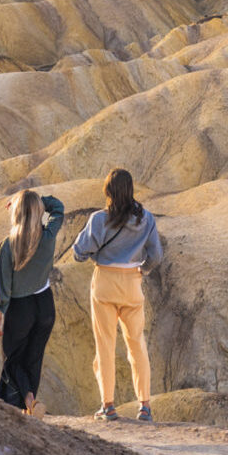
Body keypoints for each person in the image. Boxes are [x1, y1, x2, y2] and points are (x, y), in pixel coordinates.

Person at [73, 168, 162, 422]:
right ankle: (144, 405)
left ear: (108, 192)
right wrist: (141, 270)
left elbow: (78, 252)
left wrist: (95, 255)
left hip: (104, 283)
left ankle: (108, 406)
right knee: (137, 345)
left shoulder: (99, 220)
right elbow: (155, 256)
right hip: (132, 283)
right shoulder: (146, 219)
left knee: (105, 345)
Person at [0, 190, 64, 418]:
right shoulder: (48, 236)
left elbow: (3, 289)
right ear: (37, 212)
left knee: (13, 361)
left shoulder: (8, 245)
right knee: (33, 359)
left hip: (20, 309)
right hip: (45, 305)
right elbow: (59, 207)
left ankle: (28, 400)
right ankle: (29, 408)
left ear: (16, 213)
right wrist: (39, 201)